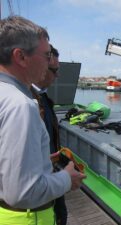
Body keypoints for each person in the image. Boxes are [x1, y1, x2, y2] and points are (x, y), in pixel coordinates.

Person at [0, 16, 86, 225]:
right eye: (46, 55)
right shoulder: (21, 105)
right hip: (26, 218)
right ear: (21, 57)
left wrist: (38, 159)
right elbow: (23, 193)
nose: (49, 63)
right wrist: (67, 178)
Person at [31, 45, 68, 225]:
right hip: (39, 186)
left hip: (50, 173)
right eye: (54, 70)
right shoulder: (26, 102)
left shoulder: (43, 98)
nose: (57, 76)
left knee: (60, 214)